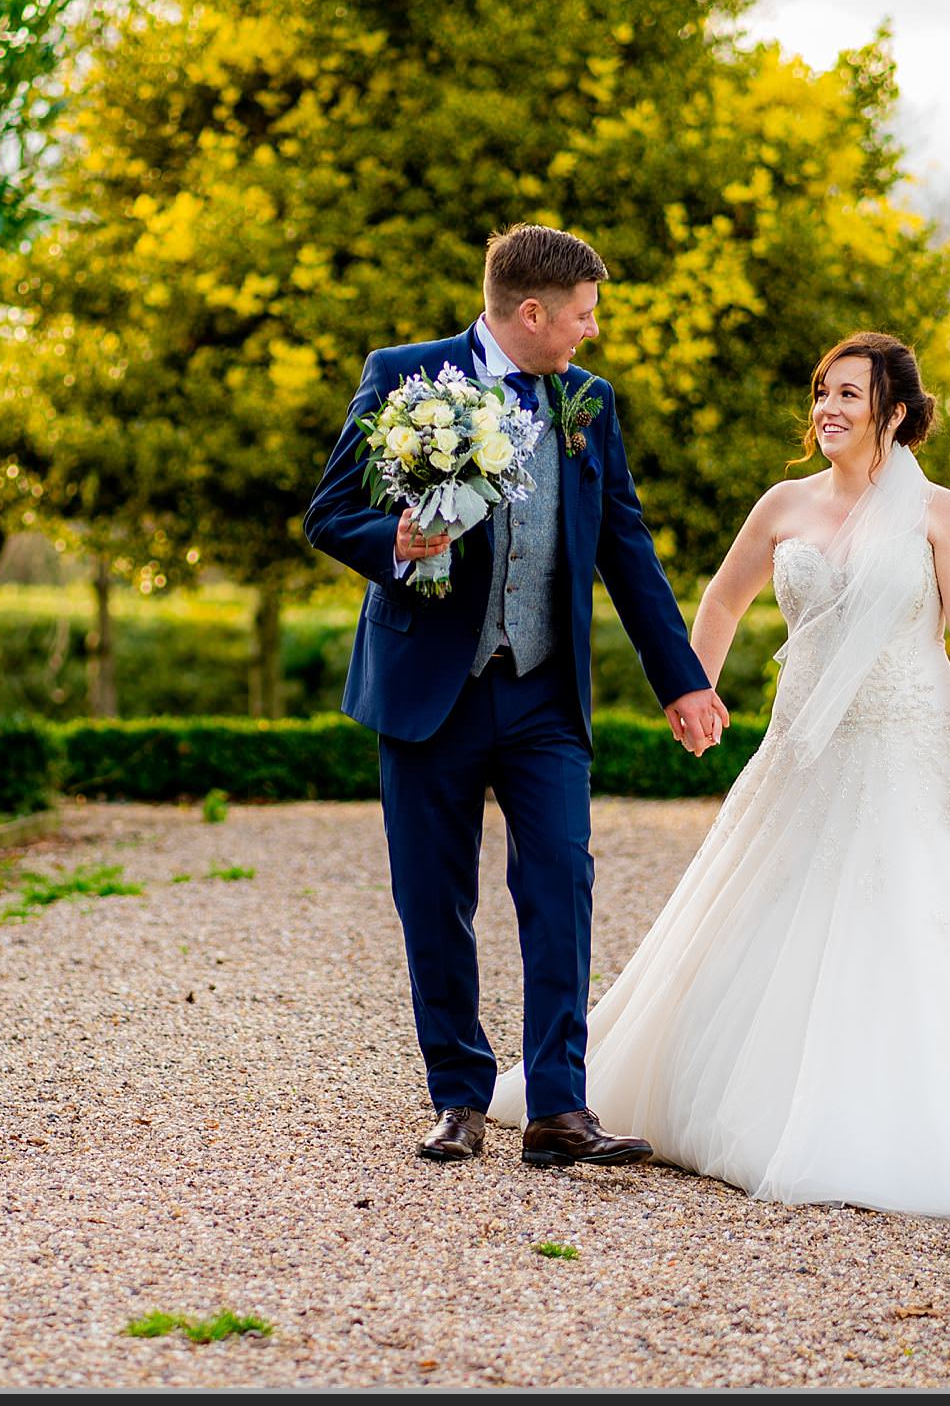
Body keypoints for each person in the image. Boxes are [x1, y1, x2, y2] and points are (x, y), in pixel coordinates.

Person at [484, 332, 950, 1219]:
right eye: (823, 391)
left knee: (917, 925)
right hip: (804, 751)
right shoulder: (784, 504)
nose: (829, 408)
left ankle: (909, 1120)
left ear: (893, 414)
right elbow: (720, 599)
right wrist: (697, 691)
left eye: (850, 396)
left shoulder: (940, 514)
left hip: (916, 748)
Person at [305, 223, 730, 1169]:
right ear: (530, 312)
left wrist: (683, 682)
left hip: (542, 694)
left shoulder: (587, 402)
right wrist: (397, 545)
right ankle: (458, 1096)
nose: (590, 335)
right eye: (581, 317)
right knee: (433, 900)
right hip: (428, 689)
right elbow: (331, 512)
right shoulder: (404, 377)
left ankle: (557, 1110)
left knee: (560, 888)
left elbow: (626, 544)